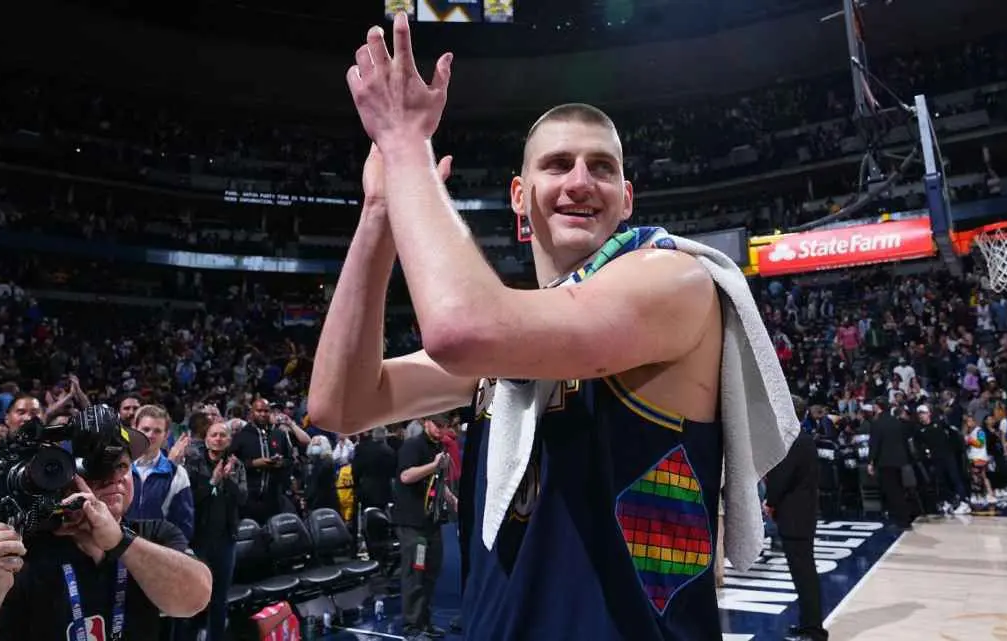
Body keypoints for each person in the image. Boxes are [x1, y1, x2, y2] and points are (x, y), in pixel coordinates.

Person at [308, 15, 786, 641]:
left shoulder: (675, 281)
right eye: (558, 164)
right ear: (519, 194)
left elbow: (460, 327)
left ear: (627, 198)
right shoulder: (511, 344)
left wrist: (404, 147)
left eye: (602, 168)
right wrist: (379, 212)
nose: (580, 182)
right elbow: (341, 404)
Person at [0, 405, 212, 641]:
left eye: (122, 466)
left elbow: (195, 599)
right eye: (97, 465)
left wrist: (120, 541)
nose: (114, 477)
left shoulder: (153, 534)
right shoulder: (18, 551)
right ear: (56, 472)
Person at [764, 396, 827, 641]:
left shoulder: (794, 441)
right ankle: (807, 624)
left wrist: (770, 502)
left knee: (804, 575)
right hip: (801, 515)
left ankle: (814, 631)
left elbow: (781, 479)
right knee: (802, 574)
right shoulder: (804, 439)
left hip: (795, 517)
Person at [394, 414, 457, 639]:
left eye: (444, 426)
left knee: (431, 572)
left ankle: (424, 622)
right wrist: (433, 465)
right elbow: (406, 476)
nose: (441, 430)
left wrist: (453, 500)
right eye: (437, 425)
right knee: (415, 574)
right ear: (426, 422)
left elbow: (437, 481)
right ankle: (412, 627)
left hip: (431, 521)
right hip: (413, 523)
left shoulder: (438, 447)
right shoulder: (412, 446)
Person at [183, 420, 247, 641]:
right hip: (198, 539)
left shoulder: (236, 465)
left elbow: (242, 498)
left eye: (223, 435)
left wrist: (227, 480)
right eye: (214, 435)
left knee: (220, 599)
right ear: (206, 439)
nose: (218, 439)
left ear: (229, 440)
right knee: (195, 597)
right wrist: (213, 481)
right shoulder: (193, 464)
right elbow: (190, 500)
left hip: (225, 540)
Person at [127, 405, 196, 540]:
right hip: (121, 548)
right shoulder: (120, 468)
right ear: (135, 429)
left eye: (157, 431)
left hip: (157, 549)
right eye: (145, 429)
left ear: (166, 435)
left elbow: (184, 526)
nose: (150, 435)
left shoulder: (177, 474)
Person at [867, 398, 913, 530]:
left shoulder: (877, 423)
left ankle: (903, 521)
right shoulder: (896, 421)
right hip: (899, 461)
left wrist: (871, 462)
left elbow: (875, 444)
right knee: (898, 489)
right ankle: (904, 517)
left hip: (885, 461)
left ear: (877, 407)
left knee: (893, 492)